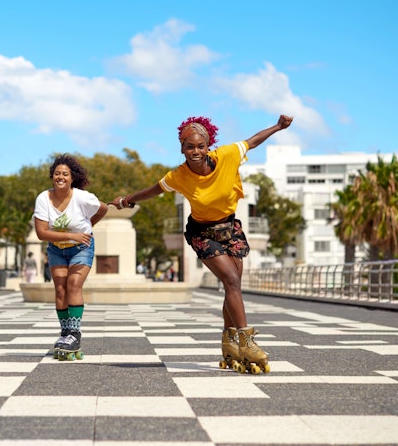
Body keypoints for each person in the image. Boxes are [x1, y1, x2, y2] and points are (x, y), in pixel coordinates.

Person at [110, 114, 293, 373]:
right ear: (182, 148)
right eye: (189, 147)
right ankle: (246, 341)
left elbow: (252, 142)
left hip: (230, 227)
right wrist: (128, 199)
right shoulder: (178, 176)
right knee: (231, 281)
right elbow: (154, 190)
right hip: (202, 232)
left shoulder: (229, 154)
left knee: (234, 286)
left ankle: (229, 343)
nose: (195, 152)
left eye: (200, 146)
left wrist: (278, 126)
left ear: (209, 145)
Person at [33, 154, 108, 360]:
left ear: (72, 178)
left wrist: (88, 225)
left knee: (74, 284)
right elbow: (41, 233)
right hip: (56, 248)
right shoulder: (43, 199)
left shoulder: (82, 197)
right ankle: (65, 333)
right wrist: (70, 234)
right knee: (60, 287)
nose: (61, 177)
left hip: (81, 247)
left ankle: (75, 333)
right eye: (57, 173)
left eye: (65, 174)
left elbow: (103, 208)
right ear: (52, 176)